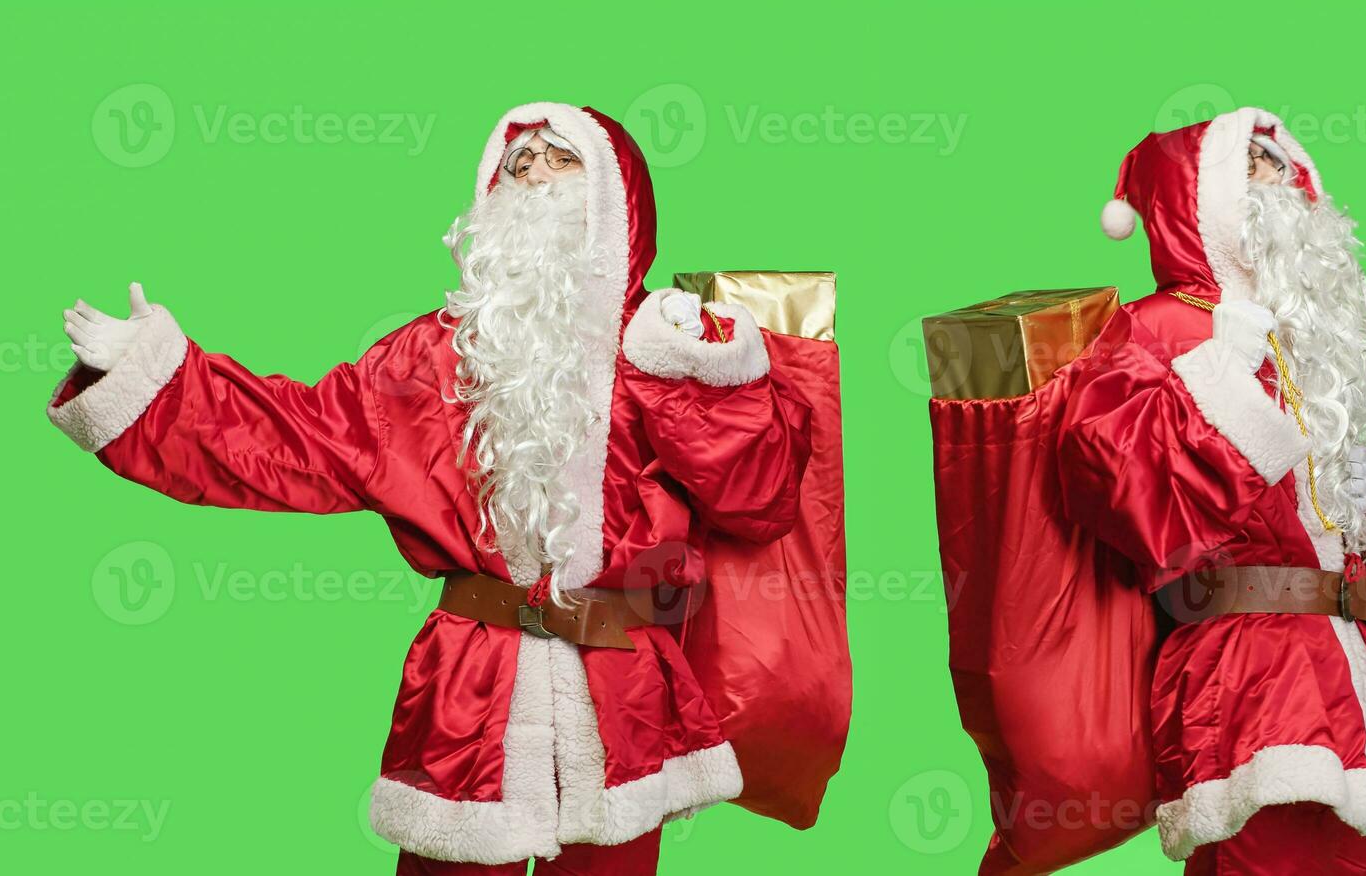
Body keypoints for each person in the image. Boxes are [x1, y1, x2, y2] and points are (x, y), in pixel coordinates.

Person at [48, 102, 814, 875]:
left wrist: (703, 377)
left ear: (617, 197)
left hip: (624, 694)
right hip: (469, 688)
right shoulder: (432, 357)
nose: (537, 177)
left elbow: (761, 501)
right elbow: (296, 439)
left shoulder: (670, 343)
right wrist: (157, 372)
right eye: (521, 165)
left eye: (562, 161)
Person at [1065, 107, 1366, 874]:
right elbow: (1119, 489)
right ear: (1197, 200)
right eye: (1253, 169)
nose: (1280, 183)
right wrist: (1224, 375)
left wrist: (1361, 495)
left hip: (1336, 666)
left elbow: (1318, 530)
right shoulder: (1159, 329)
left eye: (1282, 166)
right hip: (1244, 673)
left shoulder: (1297, 337)